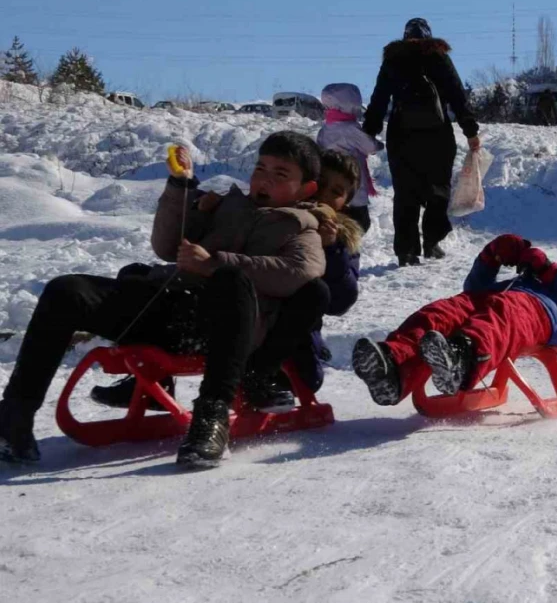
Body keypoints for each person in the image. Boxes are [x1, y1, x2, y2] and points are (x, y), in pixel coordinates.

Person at [0, 132, 327, 467]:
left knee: (229, 279)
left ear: (306, 190)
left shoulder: (302, 228)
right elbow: (166, 246)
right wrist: (181, 189)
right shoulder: (225, 206)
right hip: (172, 309)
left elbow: (301, 271)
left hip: (227, 332)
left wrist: (215, 264)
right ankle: (14, 415)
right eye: (260, 168)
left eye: (280, 174)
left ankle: (210, 419)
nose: (264, 179)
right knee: (66, 291)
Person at [351, 223, 557, 405]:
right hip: (495, 300)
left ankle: (463, 361)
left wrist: (552, 272)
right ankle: (394, 369)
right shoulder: (539, 276)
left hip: (536, 315)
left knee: (504, 313)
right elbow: (474, 289)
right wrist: (491, 256)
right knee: (441, 312)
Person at [363, 17, 480, 267]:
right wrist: (470, 130)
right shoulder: (438, 57)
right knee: (438, 189)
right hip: (437, 135)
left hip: (401, 136)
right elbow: (457, 95)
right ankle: (431, 242)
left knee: (406, 193)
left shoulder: (393, 60)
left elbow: (379, 98)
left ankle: (406, 251)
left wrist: (369, 131)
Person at [317, 82, 383, 233]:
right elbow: (369, 146)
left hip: (331, 185)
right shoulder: (350, 129)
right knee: (361, 223)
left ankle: (338, 246)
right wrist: (380, 145)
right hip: (353, 183)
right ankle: (346, 248)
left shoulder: (325, 129)